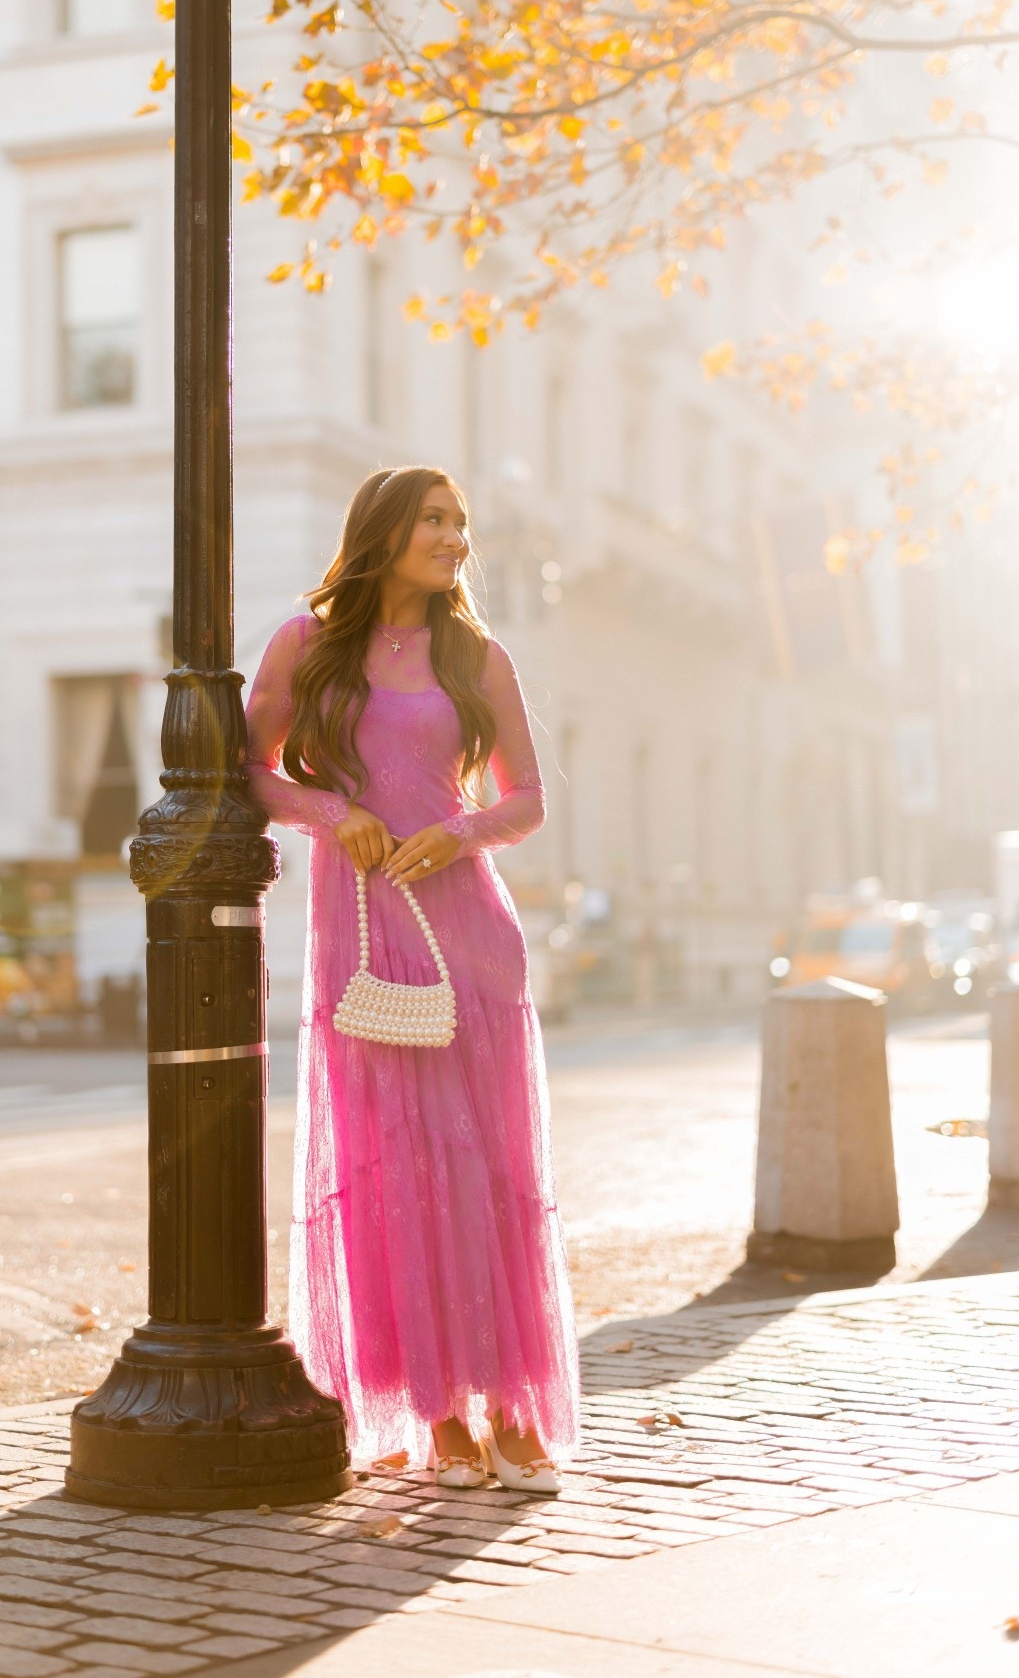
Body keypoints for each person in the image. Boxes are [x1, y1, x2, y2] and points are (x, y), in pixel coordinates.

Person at [246, 466, 579, 1492]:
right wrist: (322, 810)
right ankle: (434, 1407)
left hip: (466, 926)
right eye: (433, 519)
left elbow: (527, 798)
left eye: (459, 521)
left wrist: (455, 831)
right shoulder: (305, 642)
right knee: (396, 1165)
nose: (453, 537)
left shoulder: (476, 652)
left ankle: (512, 1401)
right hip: (360, 923)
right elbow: (248, 770)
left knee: (487, 1167)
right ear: (383, 532)